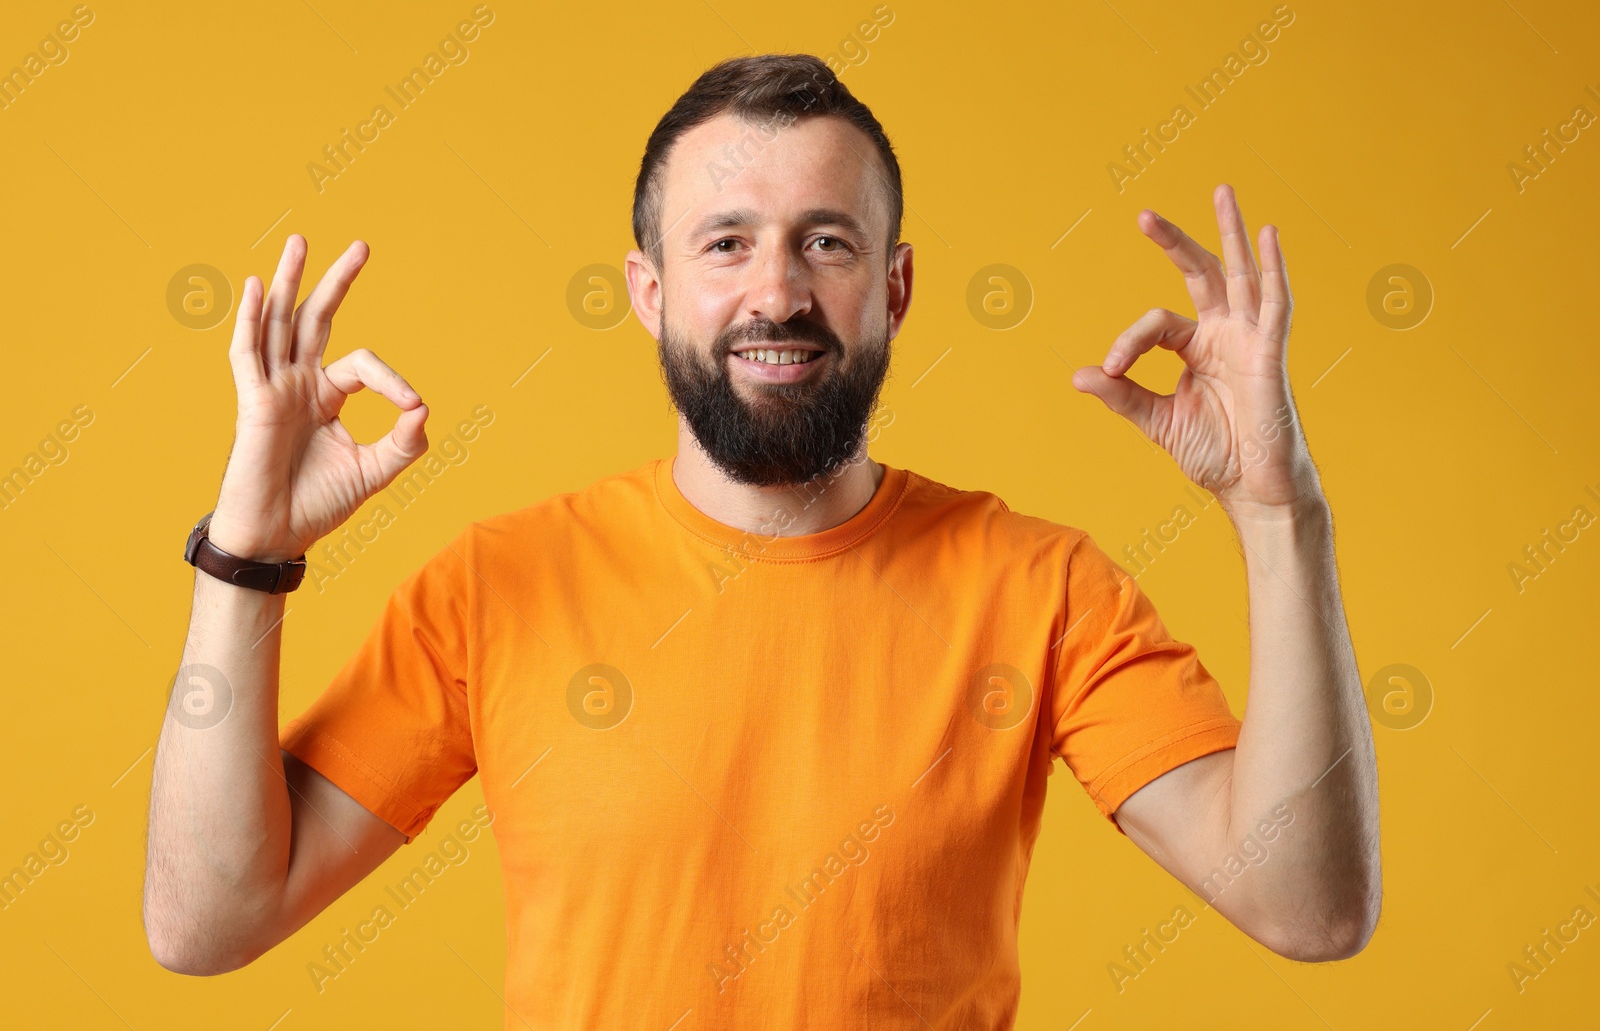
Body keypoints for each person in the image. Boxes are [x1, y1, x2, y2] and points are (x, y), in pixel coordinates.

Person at [143, 53, 1380, 1027]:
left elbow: (1307, 903)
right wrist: (248, 549)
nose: (776, 292)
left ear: (892, 288)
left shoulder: (1039, 589)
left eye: (825, 242)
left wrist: (1280, 516)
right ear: (650, 291)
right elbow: (208, 919)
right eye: (725, 242)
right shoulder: (499, 583)